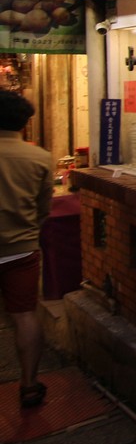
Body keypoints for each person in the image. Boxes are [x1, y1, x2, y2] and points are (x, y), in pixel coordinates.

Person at [0, 90, 54, 409]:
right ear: (24, 122)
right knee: (25, 316)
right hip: (21, 249)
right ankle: (29, 385)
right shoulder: (40, 157)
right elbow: (44, 207)